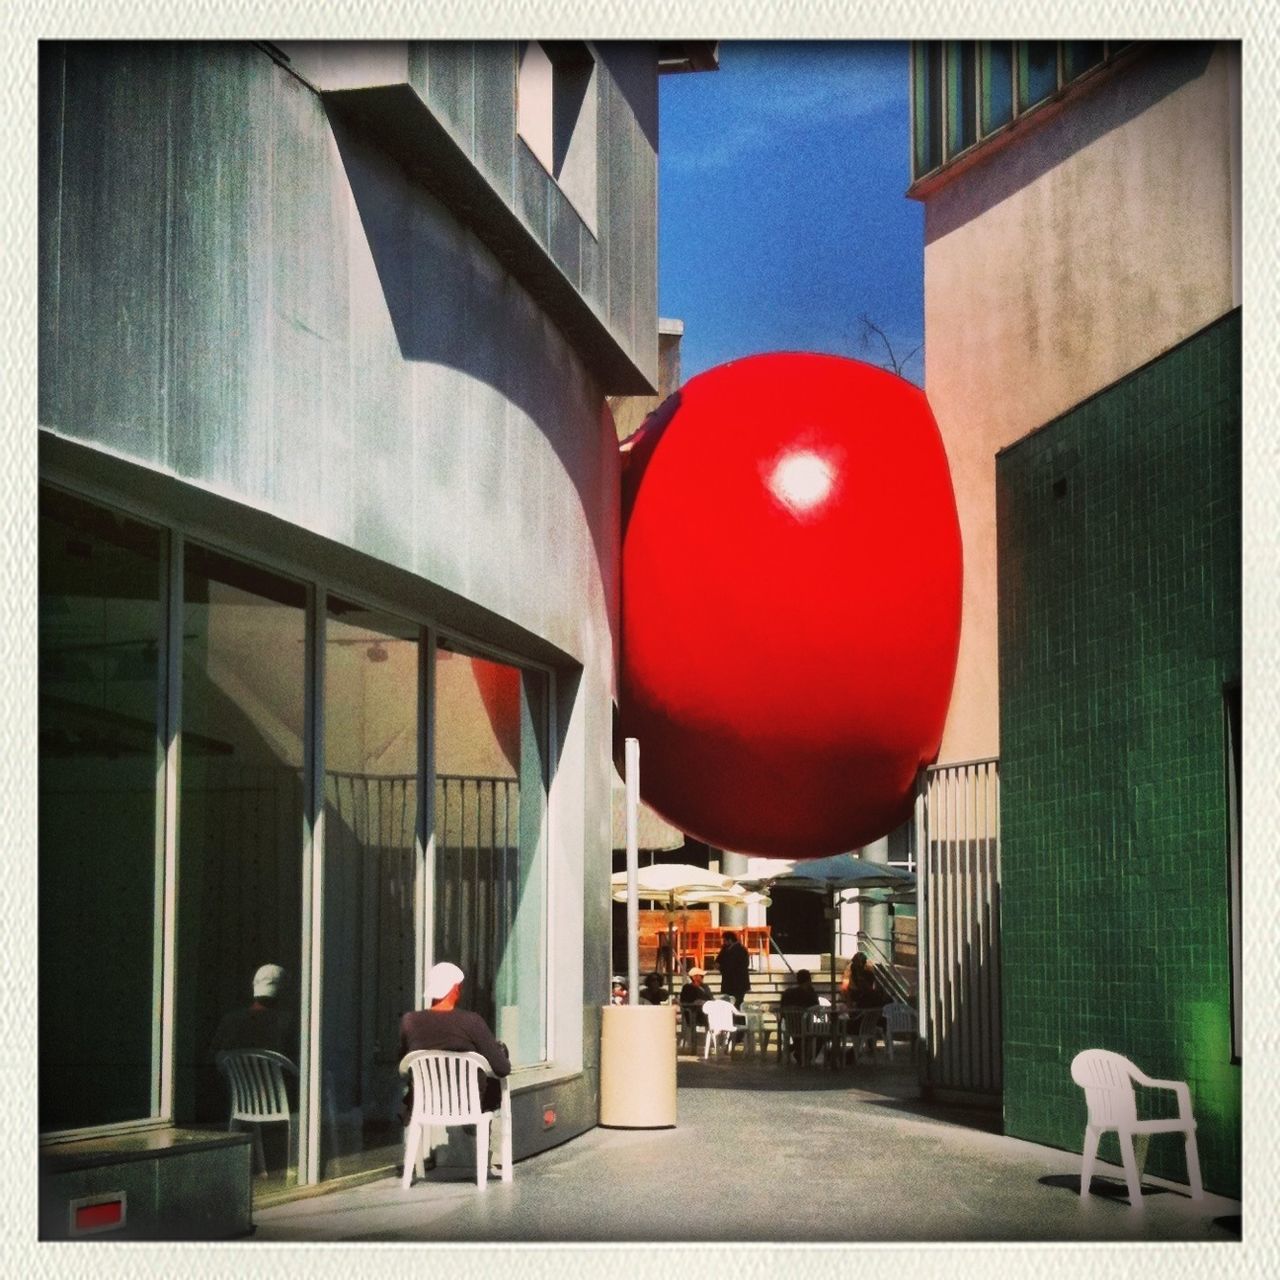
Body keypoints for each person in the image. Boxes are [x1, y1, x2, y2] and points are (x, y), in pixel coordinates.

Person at [399, 962, 511, 1121]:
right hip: (469, 1106)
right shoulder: (472, 1021)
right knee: (498, 1052)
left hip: (423, 1105)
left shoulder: (409, 1021)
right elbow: (502, 1069)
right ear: (455, 989)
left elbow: (403, 1066)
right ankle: (479, 1131)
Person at [212, 963, 292, 1054]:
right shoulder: (287, 1023)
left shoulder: (230, 1021)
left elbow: (213, 1057)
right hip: (278, 1068)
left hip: (236, 1069)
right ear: (285, 992)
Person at [715, 930, 751, 1008]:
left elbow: (734, 965)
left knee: (737, 1002)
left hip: (738, 982)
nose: (724, 943)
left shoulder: (740, 950)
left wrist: (722, 967)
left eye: (725, 940)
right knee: (728, 1002)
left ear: (730, 940)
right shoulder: (725, 949)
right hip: (728, 982)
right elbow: (719, 960)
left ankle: (737, 1019)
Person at [678, 965, 713, 1044]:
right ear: (694, 977)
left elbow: (711, 998)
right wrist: (696, 1002)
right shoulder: (687, 988)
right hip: (693, 1013)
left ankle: (714, 1040)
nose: (702, 978)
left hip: (706, 1011)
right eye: (701, 976)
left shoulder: (705, 987)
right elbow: (684, 1001)